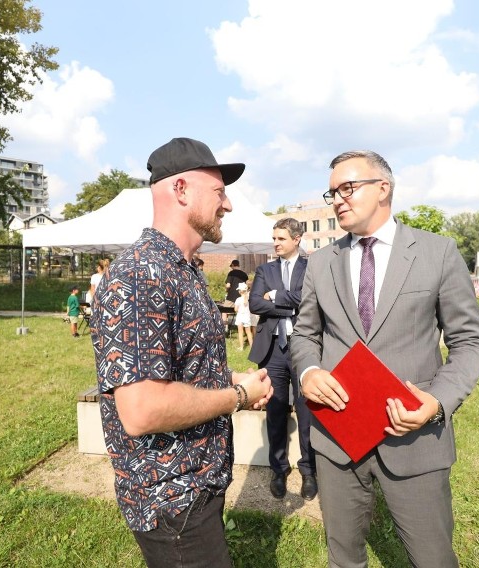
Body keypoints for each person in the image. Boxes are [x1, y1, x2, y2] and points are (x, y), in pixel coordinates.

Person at [291, 150, 479, 567]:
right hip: (338, 439)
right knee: (343, 558)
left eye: (347, 188)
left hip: (414, 438)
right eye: (332, 193)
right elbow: (306, 334)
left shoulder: (437, 252)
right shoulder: (320, 263)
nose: (338, 200)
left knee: (432, 558)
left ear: (384, 188)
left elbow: (471, 342)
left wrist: (436, 402)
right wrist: (308, 371)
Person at [89, 136, 273, 568]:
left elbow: (181, 370)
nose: (226, 205)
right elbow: (143, 410)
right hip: (171, 499)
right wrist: (239, 398)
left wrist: (233, 381)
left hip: (196, 487)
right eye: (219, 192)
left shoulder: (182, 270)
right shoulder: (139, 276)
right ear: (181, 190)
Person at [248, 217, 317, 501]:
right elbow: (255, 303)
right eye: (274, 238)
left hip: (304, 347)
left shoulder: (312, 266)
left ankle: (309, 470)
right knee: (275, 410)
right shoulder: (265, 269)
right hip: (273, 349)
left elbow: (311, 299)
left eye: (281, 238)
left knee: (307, 411)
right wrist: (289, 307)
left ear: (297, 238)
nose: (275, 243)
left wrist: (276, 296)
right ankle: (278, 469)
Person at [233, 282, 254, 350]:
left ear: (240, 291)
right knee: (248, 332)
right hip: (247, 316)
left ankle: (241, 347)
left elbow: (235, 309)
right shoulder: (249, 299)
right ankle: (252, 346)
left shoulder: (238, 299)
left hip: (240, 316)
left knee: (240, 332)